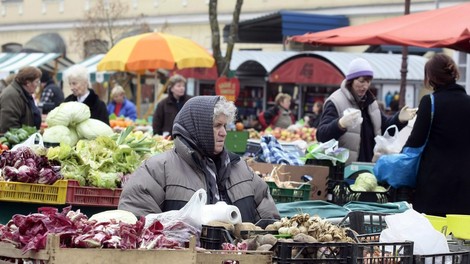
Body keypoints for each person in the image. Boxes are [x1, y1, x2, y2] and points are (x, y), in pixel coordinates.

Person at [119, 95, 280, 223]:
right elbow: (135, 225)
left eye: (225, 126)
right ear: (198, 128)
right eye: (217, 126)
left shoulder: (241, 169)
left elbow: (269, 220)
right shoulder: (156, 170)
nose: (223, 132)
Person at [316, 57, 416, 163]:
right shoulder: (336, 101)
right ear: (351, 81)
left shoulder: (371, 103)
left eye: (368, 82)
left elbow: (384, 128)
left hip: (369, 167)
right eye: (361, 81)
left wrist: (400, 119)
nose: (365, 86)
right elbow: (321, 135)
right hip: (344, 170)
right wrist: (340, 124)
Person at [406, 54, 470, 216]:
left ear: (431, 77)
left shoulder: (430, 102)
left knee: (433, 236)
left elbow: (415, 142)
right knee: (460, 238)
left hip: (434, 184)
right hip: (465, 185)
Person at [0, 67, 42, 134]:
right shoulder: (11, 95)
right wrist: (22, 139)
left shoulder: (24, 93)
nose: (38, 85)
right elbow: (9, 125)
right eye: (36, 82)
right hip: (17, 143)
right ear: (28, 83)